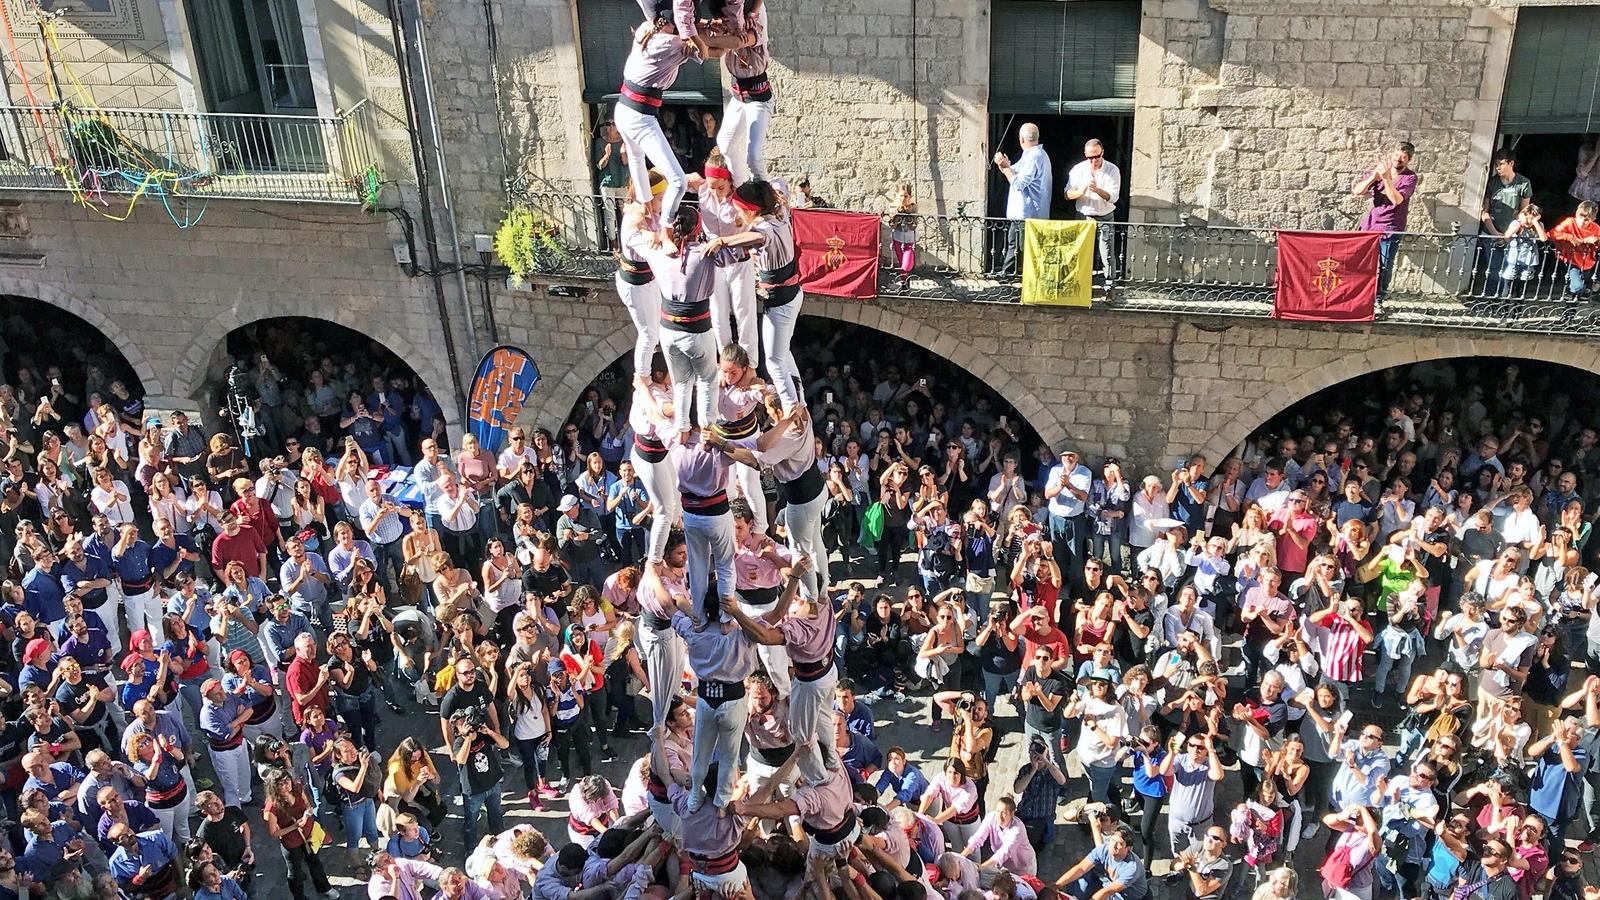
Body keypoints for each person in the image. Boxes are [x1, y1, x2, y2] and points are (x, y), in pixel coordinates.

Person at [1351, 140, 1417, 299]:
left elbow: (1397, 200)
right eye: (1396, 155)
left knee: (1385, 266)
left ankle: (1379, 300)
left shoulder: (1410, 178)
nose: (1398, 159)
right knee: (1362, 263)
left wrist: (1387, 179)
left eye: (1403, 157)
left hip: (1390, 228)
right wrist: (1374, 177)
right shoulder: (1380, 172)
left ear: (1408, 160)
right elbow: (1357, 191)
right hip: (1370, 225)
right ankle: (1361, 297)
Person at [993, 122, 1052, 277]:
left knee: (1022, 247)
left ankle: (1016, 278)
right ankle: (1007, 274)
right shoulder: (1034, 155)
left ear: (1021, 138)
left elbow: (1018, 183)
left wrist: (1005, 168)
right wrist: (1005, 166)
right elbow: (1015, 172)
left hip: (1028, 214)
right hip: (1025, 213)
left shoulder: (1034, 156)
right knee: (1015, 244)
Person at [1064, 139, 1122, 291]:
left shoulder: (1112, 169)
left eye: (1097, 156)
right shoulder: (1078, 169)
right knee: (1081, 251)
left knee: (1107, 252)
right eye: (1090, 157)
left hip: (1105, 215)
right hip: (1084, 215)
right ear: (1085, 155)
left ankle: (1109, 285)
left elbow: (1114, 197)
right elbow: (1067, 194)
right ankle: (1080, 284)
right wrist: (1080, 192)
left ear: (1102, 152)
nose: (1094, 161)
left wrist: (1097, 190)